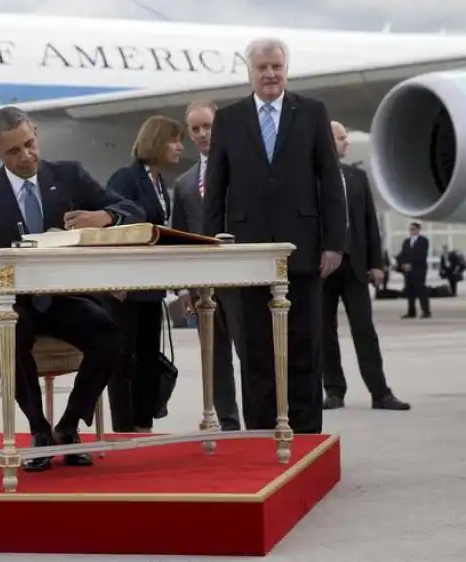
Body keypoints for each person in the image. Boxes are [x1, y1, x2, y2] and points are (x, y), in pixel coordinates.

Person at [0, 105, 144, 472]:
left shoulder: (70, 176)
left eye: (30, 144)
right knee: (12, 330)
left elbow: (133, 210)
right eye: (13, 151)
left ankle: (69, 425)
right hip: (5, 301)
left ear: (36, 134)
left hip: (60, 298)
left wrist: (104, 218)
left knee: (109, 335)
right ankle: (39, 431)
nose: (26, 155)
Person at [202, 37, 348, 435]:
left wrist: (334, 242)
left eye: (276, 67)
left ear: (286, 69)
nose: (270, 74)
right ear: (249, 72)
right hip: (247, 253)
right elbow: (215, 190)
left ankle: (305, 438)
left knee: (304, 348)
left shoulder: (312, 112)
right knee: (255, 353)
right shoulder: (229, 120)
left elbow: (330, 182)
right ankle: (262, 436)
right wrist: (211, 247)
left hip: (303, 250)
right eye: (262, 68)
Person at [321, 121, 410, 411]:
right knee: (324, 331)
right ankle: (334, 391)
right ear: (327, 140)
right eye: (342, 138)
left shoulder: (358, 177)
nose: (347, 142)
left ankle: (380, 392)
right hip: (323, 269)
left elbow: (370, 223)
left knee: (364, 329)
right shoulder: (310, 177)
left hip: (356, 266)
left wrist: (377, 263)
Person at [104, 115, 183, 433]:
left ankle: (143, 426)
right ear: (156, 141)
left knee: (149, 358)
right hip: (124, 287)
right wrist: (114, 277)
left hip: (150, 286)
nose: (180, 147)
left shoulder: (158, 182)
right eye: (174, 140)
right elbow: (109, 228)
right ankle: (124, 429)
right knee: (124, 360)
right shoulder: (125, 178)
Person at [171, 100, 244, 431]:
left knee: (250, 353)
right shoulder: (184, 184)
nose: (202, 134)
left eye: (208, 126)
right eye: (196, 129)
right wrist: (184, 287)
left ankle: (262, 419)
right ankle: (228, 423)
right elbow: (180, 237)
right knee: (215, 360)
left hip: (240, 280)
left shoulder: (243, 171)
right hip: (203, 287)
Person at [397, 222, 431, 318]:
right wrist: (402, 264)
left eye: (413, 229)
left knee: (421, 290)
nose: (411, 231)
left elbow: (422, 255)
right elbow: (402, 254)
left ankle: (426, 311)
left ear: (418, 230)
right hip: (408, 271)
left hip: (418, 269)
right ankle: (411, 312)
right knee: (410, 291)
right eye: (410, 229)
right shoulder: (407, 241)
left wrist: (411, 264)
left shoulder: (423, 241)